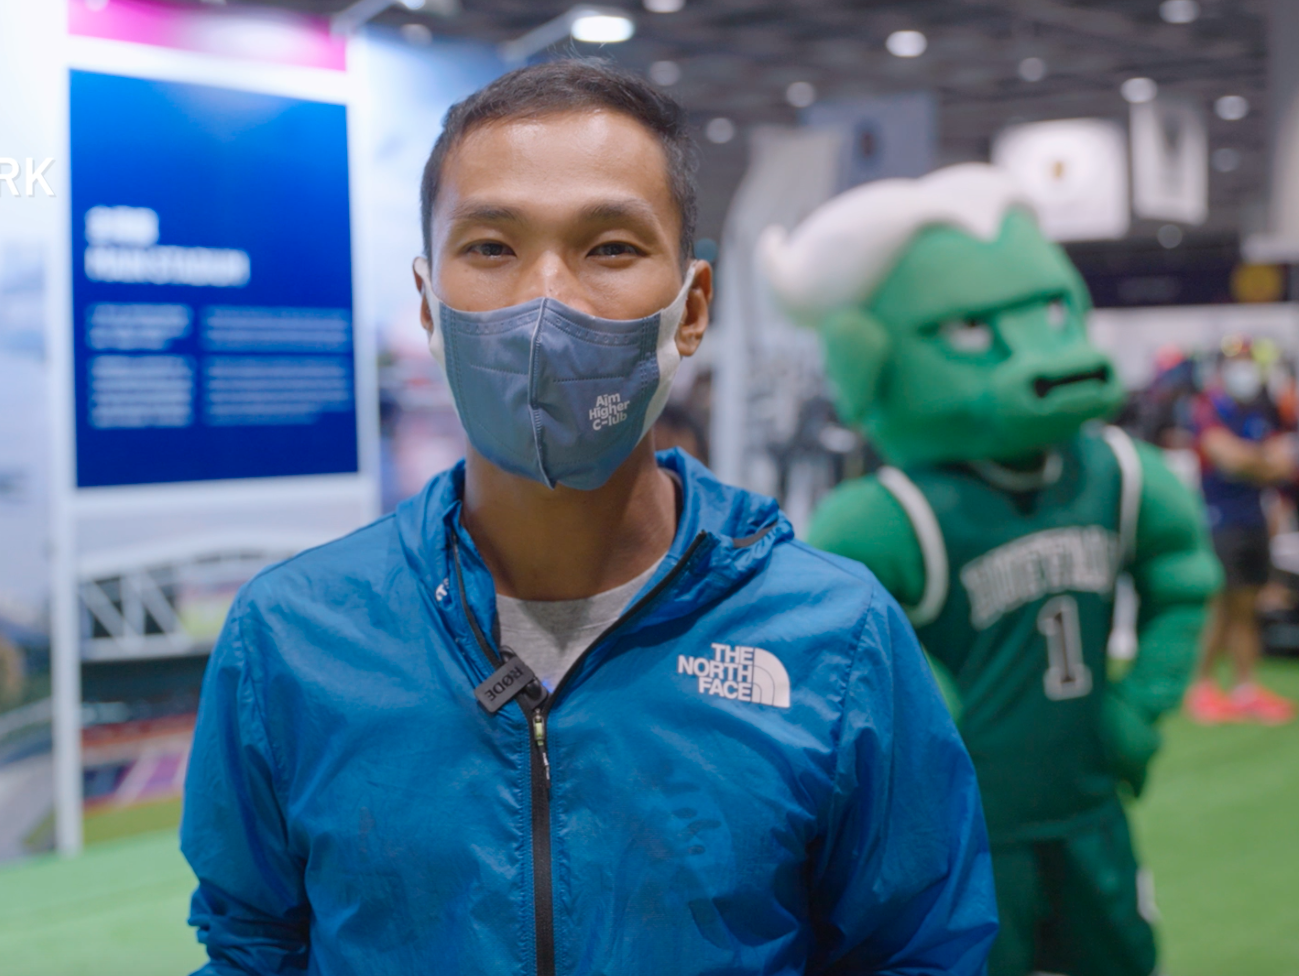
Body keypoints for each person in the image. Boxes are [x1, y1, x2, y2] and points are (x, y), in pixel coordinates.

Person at [178, 60, 997, 976]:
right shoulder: (293, 636)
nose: (547, 301)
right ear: (428, 305)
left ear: (691, 308)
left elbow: (915, 952)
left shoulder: (833, 639)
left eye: (608, 248)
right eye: (491, 248)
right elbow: (252, 947)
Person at [766, 164, 1219, 976]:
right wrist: (926, 719)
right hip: (967, 825)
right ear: (866, 359)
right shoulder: (892, 513)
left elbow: (1183, 576)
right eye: (973, 329)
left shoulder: (1114, 472)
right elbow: (819, 636)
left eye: (1049, 311)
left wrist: (1141, 705)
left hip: (1088, 805)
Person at [1184, 339, 1298, 724]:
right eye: (1237, 362)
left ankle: (1245, 688)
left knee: (1247, 608)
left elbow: (1284, 465)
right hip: (1218, 521)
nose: (1244, 369)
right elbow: (1226, 457)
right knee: (1219, 607)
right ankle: (1201, 688)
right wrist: (1259, 460)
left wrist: (1252, 461)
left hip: (1254, 519)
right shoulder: (1208, 407)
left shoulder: (1262, 408)